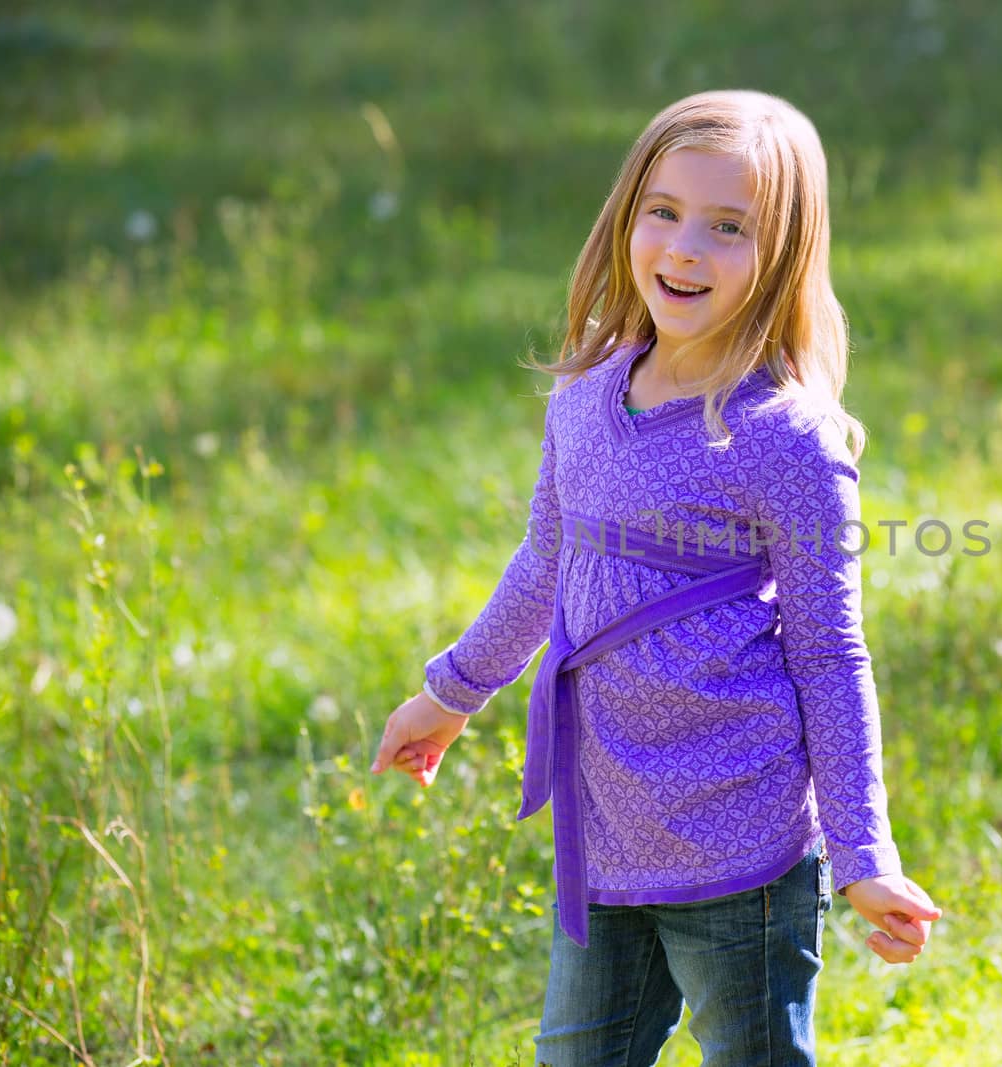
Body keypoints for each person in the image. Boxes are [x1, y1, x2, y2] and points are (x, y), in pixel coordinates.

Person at [369, 88, 941, 1066]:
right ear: (626, 212)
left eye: (729, 228)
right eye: (664, 211)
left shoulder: (786, 440)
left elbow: (830, 654)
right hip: (607, 832)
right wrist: (449, 691)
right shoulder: (587, 400)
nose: (684, 248)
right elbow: (546, 562)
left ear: (782, 254)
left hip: (742, 846)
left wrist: (864, 856)